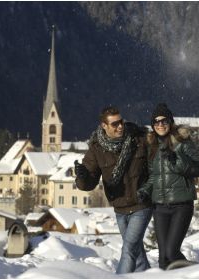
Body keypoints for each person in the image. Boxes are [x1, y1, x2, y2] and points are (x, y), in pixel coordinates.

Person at [74, 106, 152, 274]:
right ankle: (149, 276)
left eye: (121, 122)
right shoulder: (97, 149)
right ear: (104, 126)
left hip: (141, 205)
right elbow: (88, 183)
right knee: (136, 253)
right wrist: (81, 177)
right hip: (120, 209)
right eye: (115, 124)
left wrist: (148, 188)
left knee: (129, 249)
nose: (120, 126)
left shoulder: (138, 139)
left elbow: (156, 168)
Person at [137, 103, 199, 270]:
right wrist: (145, 191)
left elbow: (196, 169)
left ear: (170, 122)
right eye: (156, 122)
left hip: (182, 204)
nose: (160, 125)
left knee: (172, 252)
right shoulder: (152, 146)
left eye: (164, 121)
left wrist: (176, 160)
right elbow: (154, 176)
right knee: (162, 258)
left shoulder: (182, 142)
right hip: (160, 207)